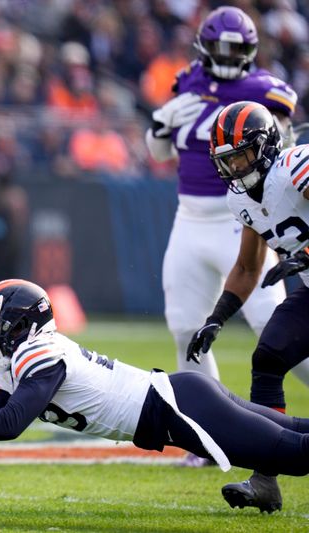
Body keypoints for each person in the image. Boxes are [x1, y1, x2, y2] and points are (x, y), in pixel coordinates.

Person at [0, 278, 309, 516]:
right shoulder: (22, 358)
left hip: (180, 409)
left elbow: (10, 424)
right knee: (292, 433)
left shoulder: (40, 354)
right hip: (179, 400)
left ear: (22, 323)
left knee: (294, 452)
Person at [144, 6, 309, 466]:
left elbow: (287, 153)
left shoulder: (269, 101)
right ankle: (214, 440)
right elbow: (157, 151)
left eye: (234, 49)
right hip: (198, 216)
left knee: (276, 334)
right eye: (218, 47)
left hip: (248, 215)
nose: (225, 56)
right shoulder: (185, 87)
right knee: (189, 327)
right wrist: (161, 122)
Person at [187, 101, 309, 513]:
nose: (235, 166)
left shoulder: (294, 166)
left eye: (241, 154)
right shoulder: (241, 200)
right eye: (228, 159)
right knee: (269, 356)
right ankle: (264, 477)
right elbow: (246, 266)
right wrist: (216, 319)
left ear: (267, 145)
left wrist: (305, 253)